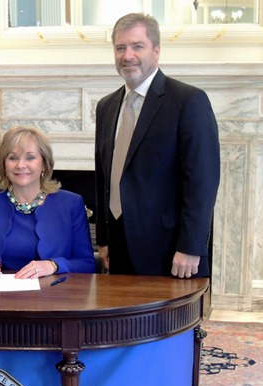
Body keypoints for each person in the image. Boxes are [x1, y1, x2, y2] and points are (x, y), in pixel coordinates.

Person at [95, 13, 220, 279]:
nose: (128, 55)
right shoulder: (106, 107)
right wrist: (103, 239)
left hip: (170, 251)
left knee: (169, 323)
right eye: (120, 47)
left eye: (137, 46)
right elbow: (103, 178)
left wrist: (191, 246)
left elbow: (202, 181)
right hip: (119, 245)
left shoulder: (188, 101)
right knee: (121, 320)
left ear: (157, 51)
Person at [0, 126, 96, 278]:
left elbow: (87, 263)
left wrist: (53, 265)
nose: (20, 165)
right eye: (13, 158)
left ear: (44, 164)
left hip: (52, 295)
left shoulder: (71, 203)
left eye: (30, 157)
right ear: (4, 164)